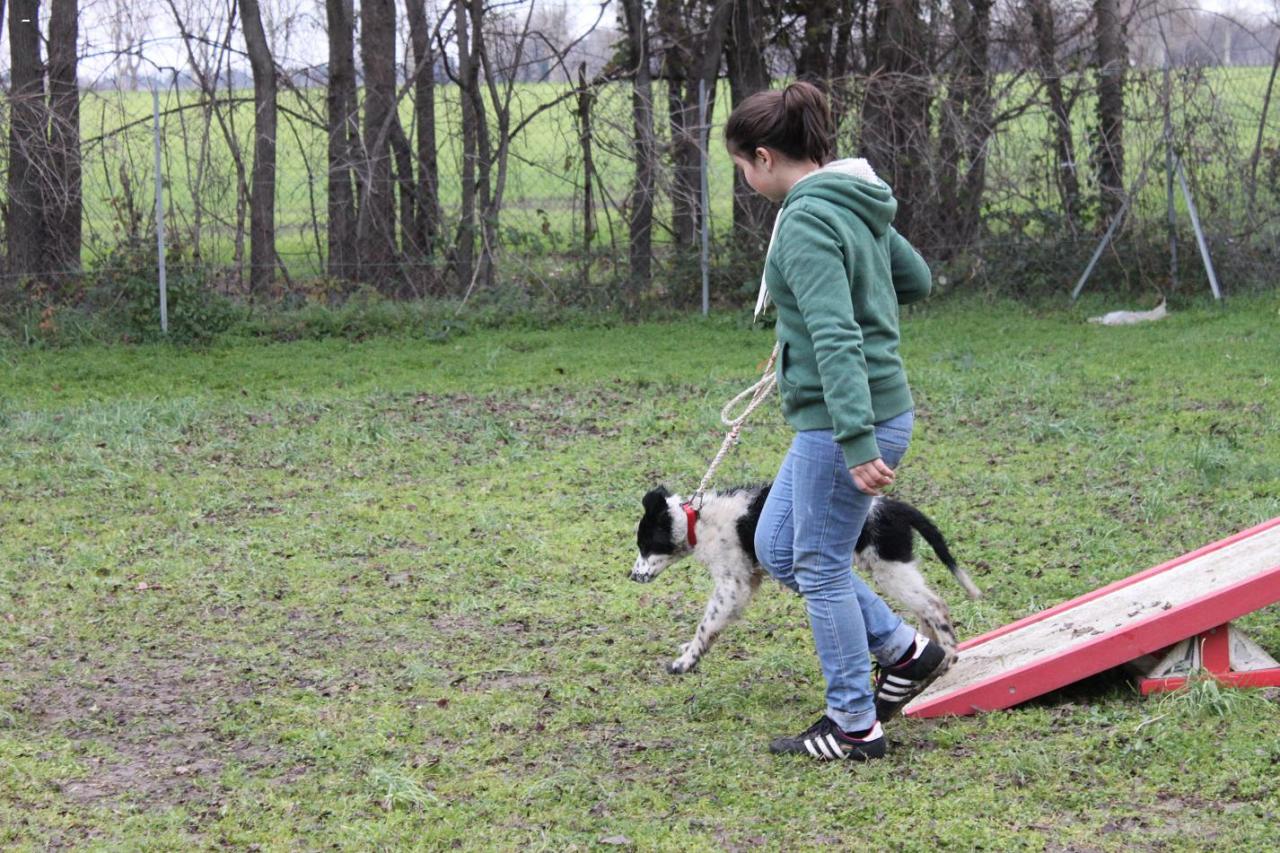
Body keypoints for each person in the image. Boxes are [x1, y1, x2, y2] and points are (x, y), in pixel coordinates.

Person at [724, 80, 944, 761]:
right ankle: (904, 651)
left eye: (739, 167)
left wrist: (854, 439)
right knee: (779, 544)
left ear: (763, 157)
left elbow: (837, 333)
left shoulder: (807, 219)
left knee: (817, 561)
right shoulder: (854, 200)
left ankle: (854, 725)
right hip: (863, 410)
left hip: (850, 421)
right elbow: (912, 279)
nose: (743, 179)